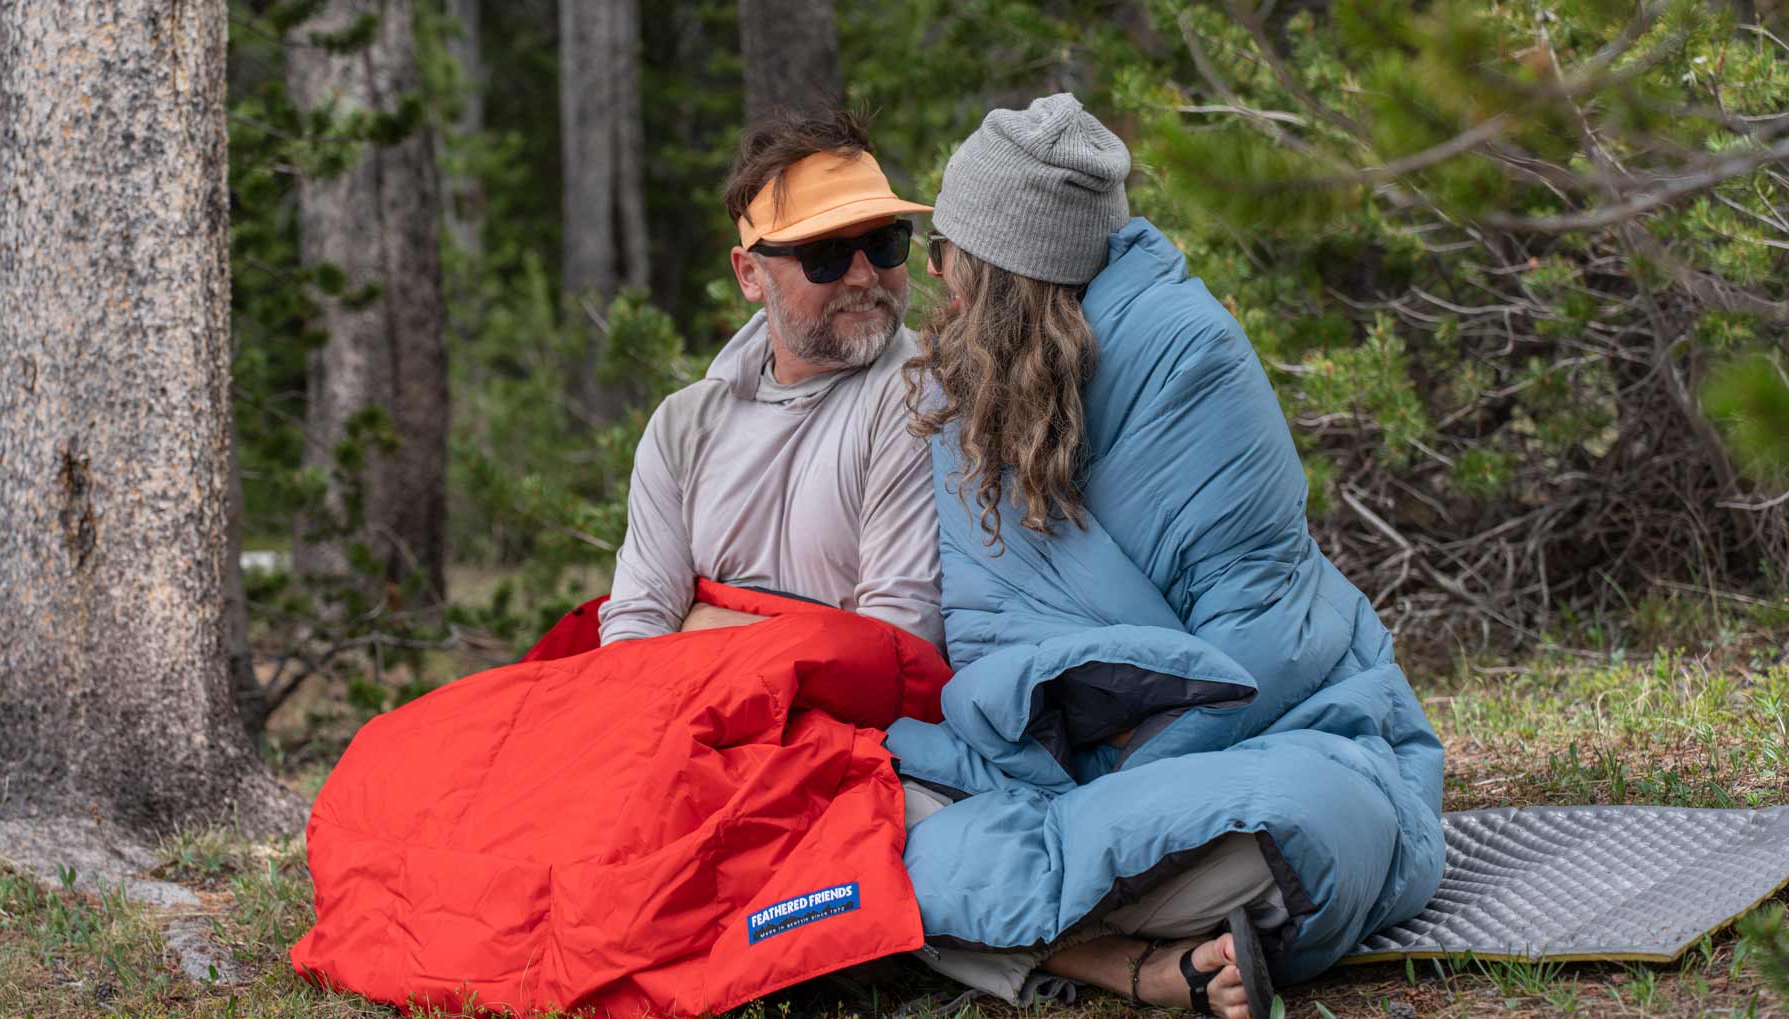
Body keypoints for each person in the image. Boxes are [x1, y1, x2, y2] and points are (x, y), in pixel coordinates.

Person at [887, 94, 1444, 1019]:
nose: (934, 277)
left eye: (942, 251)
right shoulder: (978, 389)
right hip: (1070, 766)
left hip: (1268, 727)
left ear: (996, 267)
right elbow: (996, 632)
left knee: (1298, 822)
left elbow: (1267, 638)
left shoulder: (1189, 358)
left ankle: (1066, 925)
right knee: (875, 802)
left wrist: (1112, 787)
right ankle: (1148, 961)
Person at [597, 107, 944, 649]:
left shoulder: (919, 394)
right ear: (749, 274)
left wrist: (704, 623)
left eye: (883, 242)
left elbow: (900, 643)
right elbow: (633, 633)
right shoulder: (683, 427)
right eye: (825, 255)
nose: (863, 274)